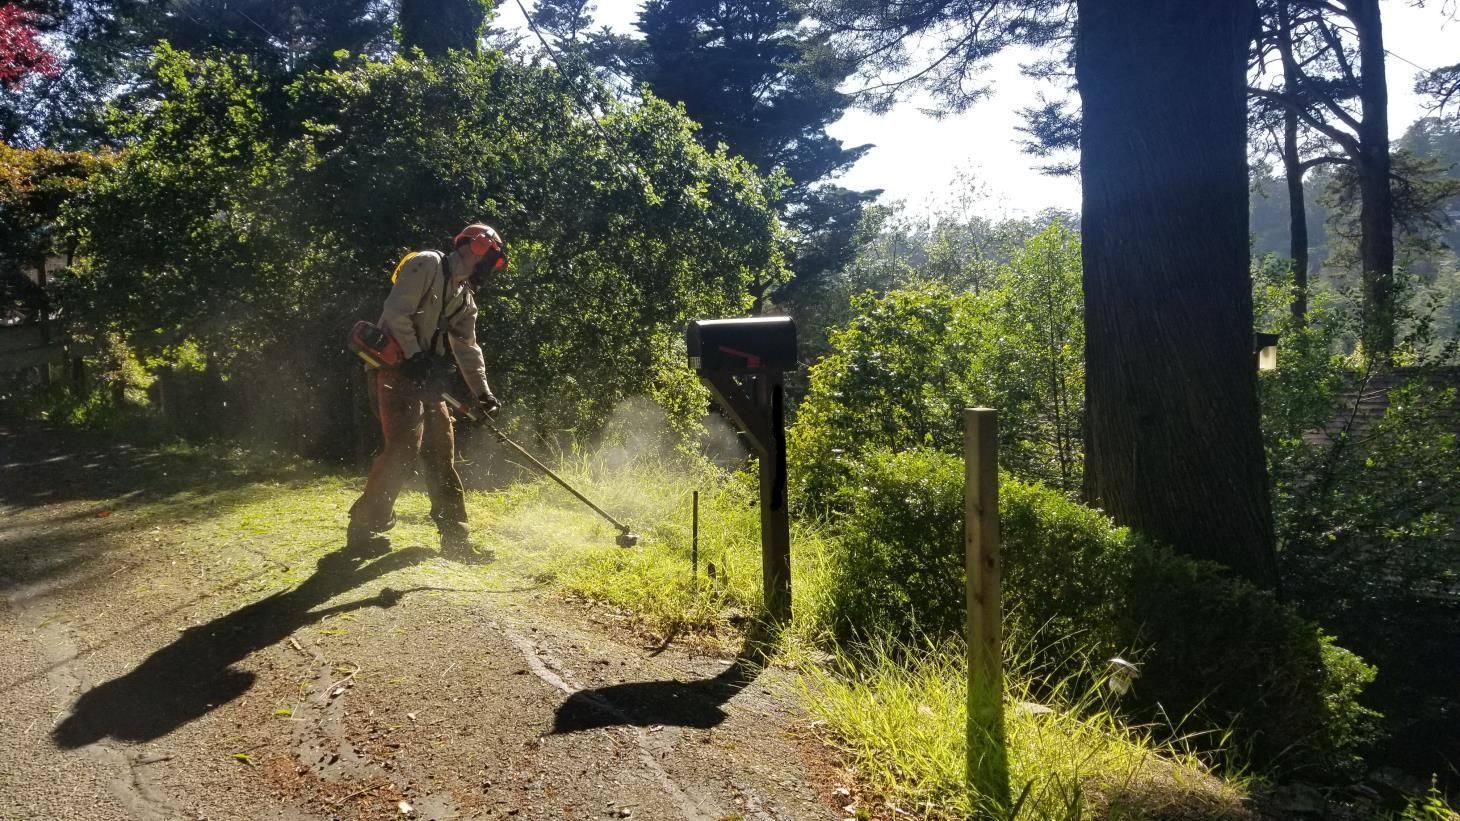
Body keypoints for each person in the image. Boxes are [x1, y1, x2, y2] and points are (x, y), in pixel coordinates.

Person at [347, 223, 506, 561]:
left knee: (441, 452)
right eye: (492, 260)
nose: (490, 270)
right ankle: (364, 525)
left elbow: (467, 347)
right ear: (478, 248)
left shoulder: (465, 298)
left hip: (426, 378)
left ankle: (455, 538)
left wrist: (484, 395)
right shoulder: (427, 264)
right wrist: (416, 357)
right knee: (404, 449)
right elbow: (396, 312)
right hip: (394, 369)